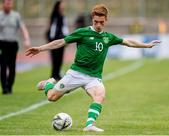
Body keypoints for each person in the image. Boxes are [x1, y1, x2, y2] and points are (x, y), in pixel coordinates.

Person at [26, 4, 161, 132]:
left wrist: (146, 45)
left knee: (100, 95)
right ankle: (49, 83)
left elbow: (128, 42)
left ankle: (89, 125)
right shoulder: (82, 33)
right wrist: (40, 48)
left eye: (101, 22)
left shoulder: (108, 37)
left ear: (106, 20)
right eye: (96, 21)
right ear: (92, 19)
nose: (98, 25)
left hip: (94, 77)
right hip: (76, 73)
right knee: (51, 97)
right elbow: (61, 42)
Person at [0, 0, 31, 94]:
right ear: (3, 4)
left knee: (12, 66)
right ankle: (4, 87)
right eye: (7, 3)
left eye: (10, 3)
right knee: (3, 65)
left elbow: (23, 28)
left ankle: (10, 86)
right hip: (2, 43)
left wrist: (27, 39)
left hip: (13, 44)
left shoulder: (16, 15)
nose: (9, 5)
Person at [46, 0, 69, 80]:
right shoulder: (54, 15)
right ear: (58, 6)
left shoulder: (63, 16)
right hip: (54, 39)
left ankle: (57, 73)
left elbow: (64, 28)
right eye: (62, 5)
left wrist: (67, 38)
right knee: (55, 58)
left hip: (61, 39)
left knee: (60, 58)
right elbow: (52, 27)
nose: (63, 6)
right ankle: (53, 74)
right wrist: (51, 37)